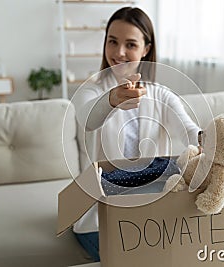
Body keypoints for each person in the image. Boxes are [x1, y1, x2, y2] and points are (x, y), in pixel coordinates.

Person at [72, 6, 202, 262]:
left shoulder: (161, 95)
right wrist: (112, 99)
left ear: (146, 49)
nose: (119, 52)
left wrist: (207, 139)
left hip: (150, 211)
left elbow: (188, 130)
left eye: (130, 44)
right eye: (112, 41)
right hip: (98, 217)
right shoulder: (91, 90)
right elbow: (88, 118)